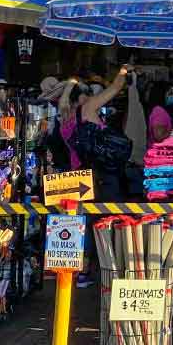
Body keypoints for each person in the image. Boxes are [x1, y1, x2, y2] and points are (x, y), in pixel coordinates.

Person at [58, 64, 132, 287]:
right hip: (97, 176)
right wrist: (124, 71)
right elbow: (116, 87)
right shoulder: (88, 109)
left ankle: (82, 272)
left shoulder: (63, 117)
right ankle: (115, 269)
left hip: (75, 176)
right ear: (83, 97)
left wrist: (68, 86)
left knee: (82, 222)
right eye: (89, 94)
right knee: (111, 218)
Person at [145, 80, 173, 146]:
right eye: (170, 93)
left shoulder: (160, 110)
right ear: (161, 94)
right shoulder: (159, 111)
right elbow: (159, 136)